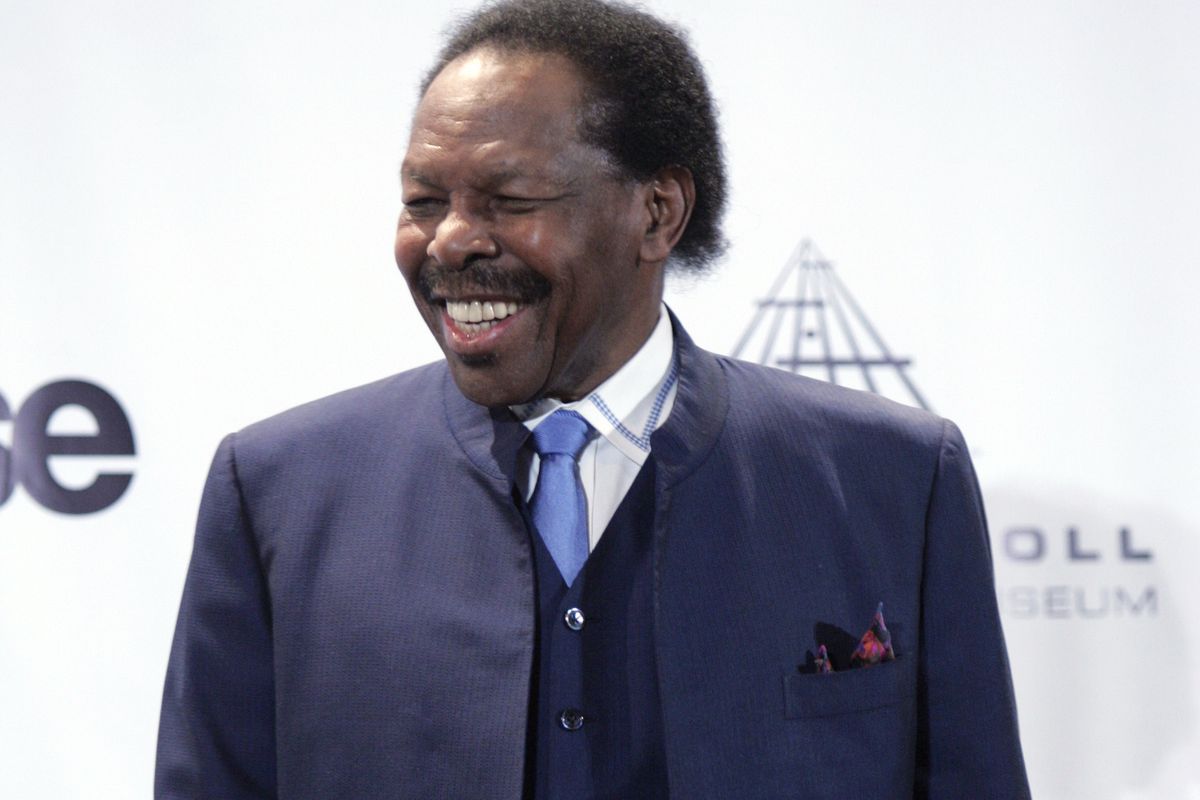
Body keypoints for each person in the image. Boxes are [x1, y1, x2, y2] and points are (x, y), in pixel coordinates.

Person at [155, 0, 1031, 797]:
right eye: (424, 200)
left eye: (510, 198)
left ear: (657, 213)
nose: (451, 240)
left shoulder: (895, 479)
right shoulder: (277, 491)